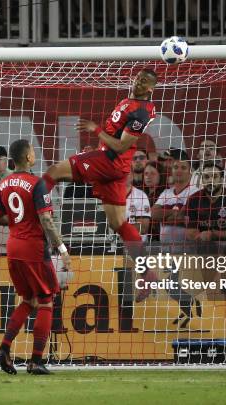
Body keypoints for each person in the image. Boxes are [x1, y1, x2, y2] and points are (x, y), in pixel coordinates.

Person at [42, 69, 157, 270]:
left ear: (150, 88)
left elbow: (121, 146)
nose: (138, 81)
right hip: (113, 166)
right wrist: (96, 150)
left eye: (144, 81)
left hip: (110, 163)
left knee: (53, 172)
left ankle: (34, 210)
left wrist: (95, 130)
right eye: (138, 77)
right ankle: (147, 275)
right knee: (118, 223)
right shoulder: (128, 102)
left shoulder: (141, 112)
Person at [0, 139, 71, 375]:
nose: (35, 155)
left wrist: (21, 219)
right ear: (28, 158)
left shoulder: (3, 183)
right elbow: (46, 220)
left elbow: (0, 218)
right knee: (46, 301)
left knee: (29, 300)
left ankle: (4, 348)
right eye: (33, 152)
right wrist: (63, 250)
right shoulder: (37, 184)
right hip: (33, 249)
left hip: (13, 247)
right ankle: (36, 359)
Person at [185, 162, 226, 242]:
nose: (210, 181)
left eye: (215, 177)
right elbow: (189, 232)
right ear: (202, 180)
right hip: (201, 248)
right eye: (206, 177)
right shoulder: (193, 199)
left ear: (221, 179)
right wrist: (200, 236)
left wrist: (214, 234)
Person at [152, 149, 199, 244]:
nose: (179, 170)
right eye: (176, 167)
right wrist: (173, 213)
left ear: (190, 171)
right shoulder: (166, 192)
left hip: (188, 251)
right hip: (165, 251)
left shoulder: (196, 192)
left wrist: (164, 216)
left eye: (183, 167)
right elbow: (152, 213)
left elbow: (183, 217)